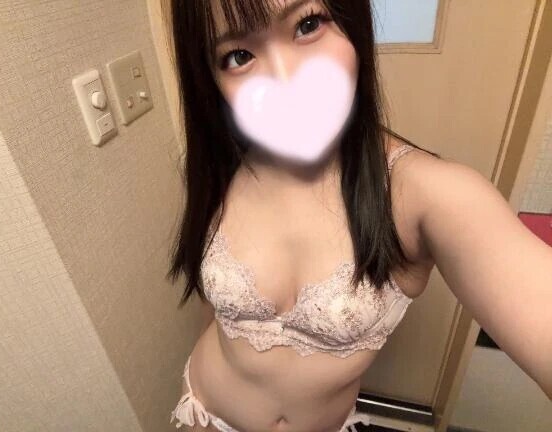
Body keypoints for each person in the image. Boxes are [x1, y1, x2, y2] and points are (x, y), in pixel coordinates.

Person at [167, 1, 552, 431]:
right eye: (239, 56)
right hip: (202, 413)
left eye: (307, 24)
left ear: (352, 22)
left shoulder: (425, 193)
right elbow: (216, 316)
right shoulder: (224, 163)